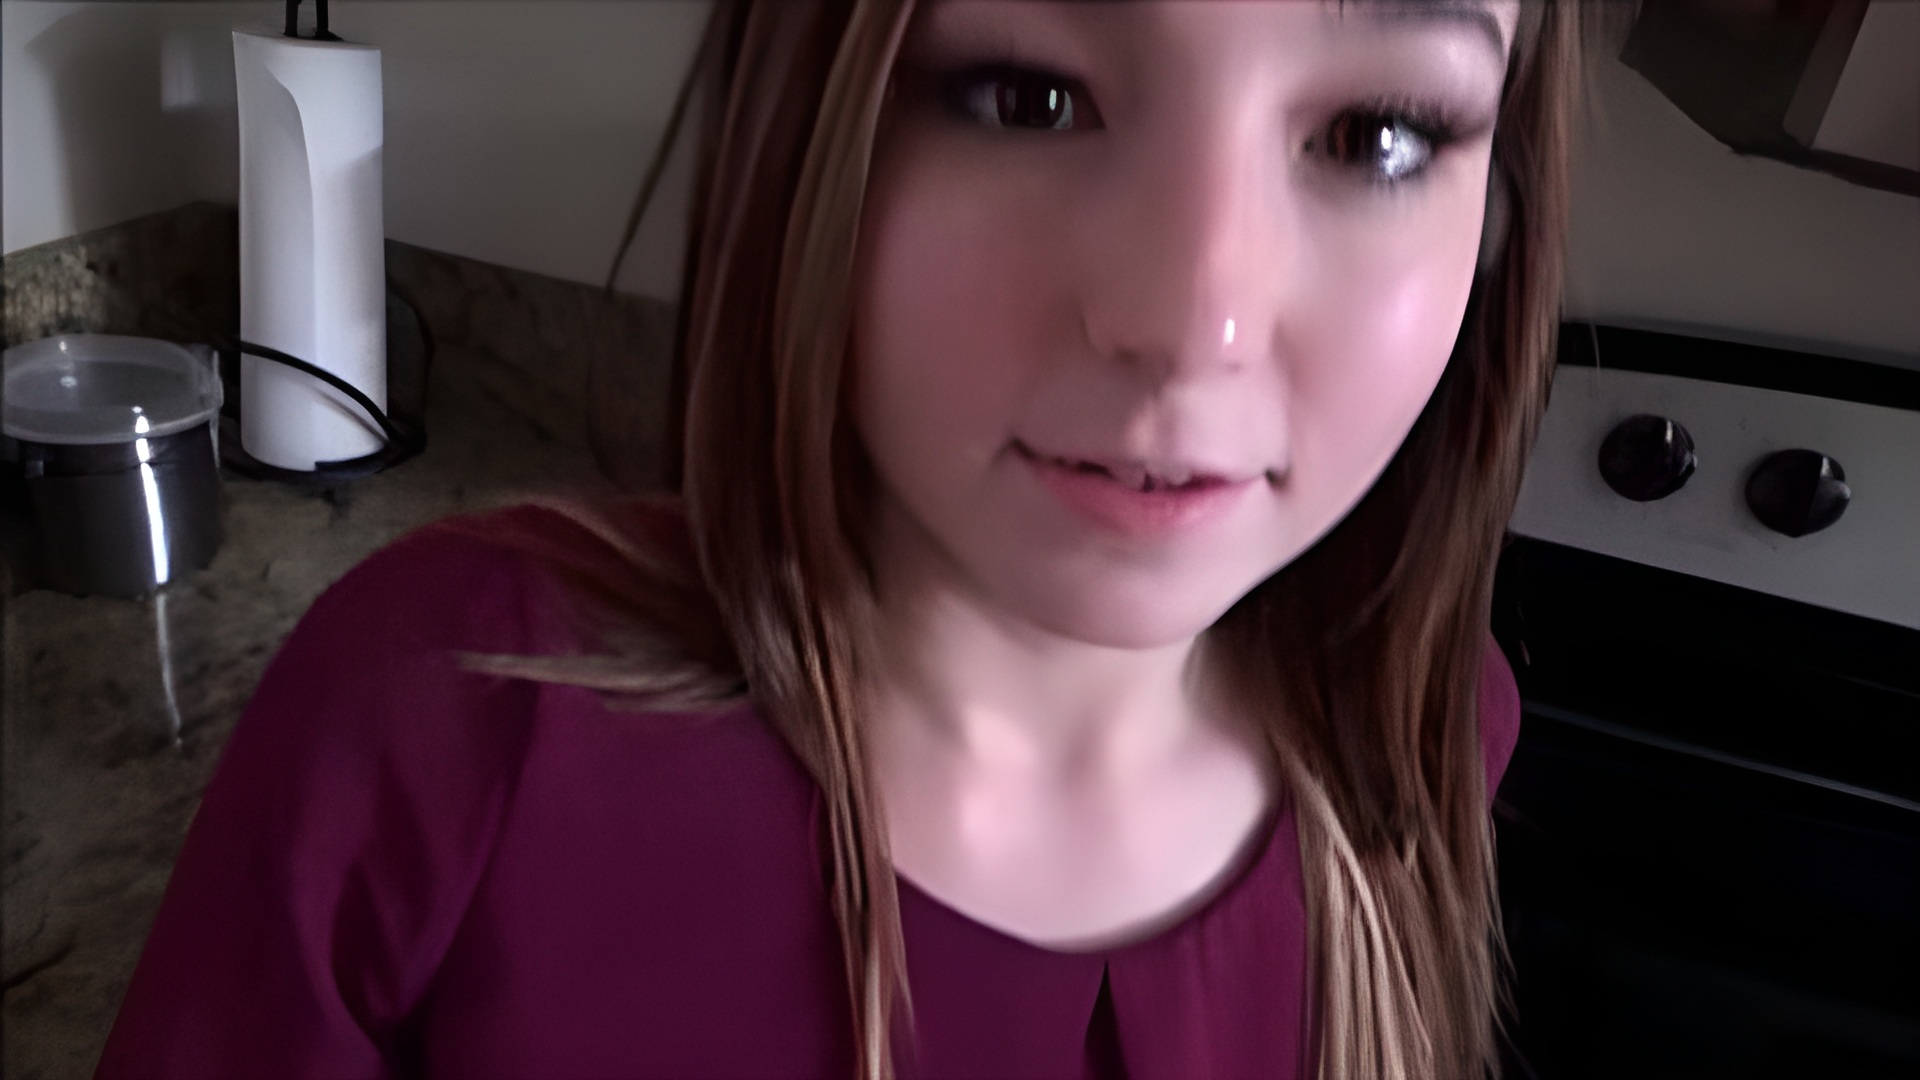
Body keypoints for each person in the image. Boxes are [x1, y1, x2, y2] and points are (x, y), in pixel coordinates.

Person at [96, 1, 1577, 1077]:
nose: (1196, 324)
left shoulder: (1416, 733)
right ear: (804, 111)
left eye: (1377, 135)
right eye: (1026, 96)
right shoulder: (450, 722)